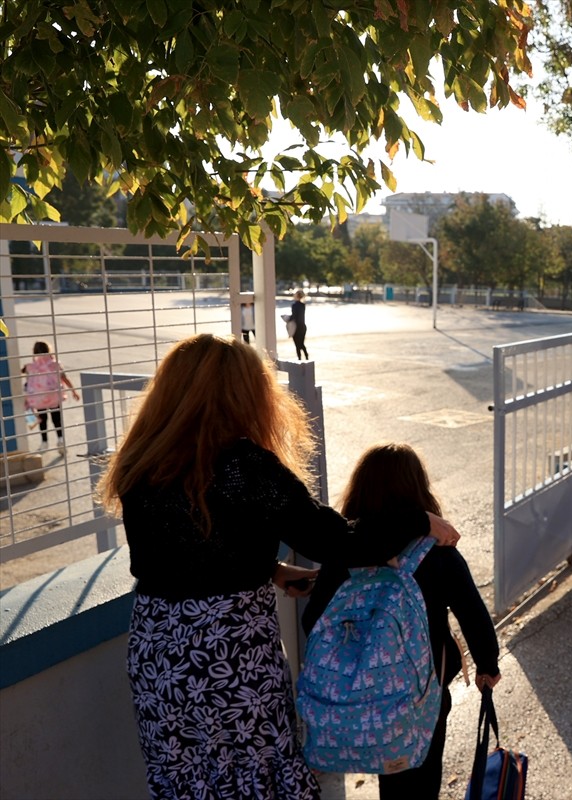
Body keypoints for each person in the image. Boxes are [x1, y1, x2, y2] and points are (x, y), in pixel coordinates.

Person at [97, 334, 461, 800]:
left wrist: (270, 571)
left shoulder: (144, 462)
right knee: (256, 775)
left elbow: (180, 549)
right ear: (240, 395)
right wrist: (418, 521)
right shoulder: (244, 467)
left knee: (189, 778)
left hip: (159, 652)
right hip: (231, 654)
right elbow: (338, 542)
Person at [302, 443, 501, 800]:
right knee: (421, 776)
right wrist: (487, 665)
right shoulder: (438, 555)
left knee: (389, 774)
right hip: (424, 693)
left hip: (363, 699)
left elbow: (312, 621)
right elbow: (473, 614)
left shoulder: (345, 554)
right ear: (419, 491)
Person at [24, 340, 79, 454]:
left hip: (39, 398)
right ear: (48, 350)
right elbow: (64, 378)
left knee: (42, 419)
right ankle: (61, 440)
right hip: (54, 396)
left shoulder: (31, 367)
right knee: (56, 418)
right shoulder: (55, 364)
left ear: (34, 351)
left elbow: (29, 383)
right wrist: (74, 391)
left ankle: (44, 442)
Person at [291, 289, 309, 360]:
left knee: (297, 344)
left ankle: (299, 358)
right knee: (301, 343)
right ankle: (306, 357)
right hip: (303, 327)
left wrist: (287, 318)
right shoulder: (303, 305)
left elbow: (294, 317)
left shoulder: (294, 305)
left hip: (296, 328)